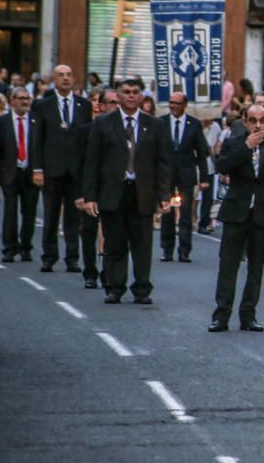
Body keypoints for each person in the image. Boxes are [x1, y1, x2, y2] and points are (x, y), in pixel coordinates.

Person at [82, 79, 171, 304]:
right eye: (126, 92)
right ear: (118, 96)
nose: (131, 96)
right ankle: (114, 287)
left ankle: (142, 289)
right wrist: (90, 196)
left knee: (142, 244)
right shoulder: (103, 123)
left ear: (141, 96)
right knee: (115, 243)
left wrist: (164, 195)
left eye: (135, 92)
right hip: (113, 191)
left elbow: (163, 163)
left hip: (142, 192)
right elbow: (92, 162)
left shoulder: (154, 125)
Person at [209, 104, 264, 332]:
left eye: (262, 120)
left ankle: (248, 316)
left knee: (256, 268)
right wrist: (246, 148)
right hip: (236, 211)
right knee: (228, 265)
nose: (258, 125)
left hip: (262, 215)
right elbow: (221, 166)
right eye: (253, 120)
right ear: (245, 122)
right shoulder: (234, 143)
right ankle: (221, 316)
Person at [32, 65, 93, 273]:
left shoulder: (83, 105)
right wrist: (37, 168)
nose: (65, 79)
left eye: (68, 75)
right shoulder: (43, 105)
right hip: (52, 169)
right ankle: (49, 256)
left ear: (73, 79)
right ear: (54, 80)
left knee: (74, 218)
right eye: (61, 76)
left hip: (75, 170)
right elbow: (37, 138)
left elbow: (87, 139)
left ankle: (72, 257)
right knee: (50, 214)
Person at [0, 87, 39, 262]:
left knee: (29, 212)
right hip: (10, 171)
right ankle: (9, 248)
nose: (25, 101)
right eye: (21, 98)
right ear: (12, 101)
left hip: (30, 172)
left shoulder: (35, 120)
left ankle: (26, 247)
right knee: (10, 210)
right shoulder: (3, 122)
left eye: (27, 98)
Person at [159, 93, 211, 263]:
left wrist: (204, 178)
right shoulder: (161, 123)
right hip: (166, 175)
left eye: (177, 103)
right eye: (171, 103)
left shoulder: (194, 124)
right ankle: (167, 249)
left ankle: (184, 250)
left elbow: (202, 152)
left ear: (184, 105)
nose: (173, 106)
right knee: (167, 211)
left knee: (186, 214)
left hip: (186, 174)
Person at [76, 87, 119, 288]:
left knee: (113, 233)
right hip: (91, 189)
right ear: (101, 106)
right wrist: (81, 193)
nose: (115, 107)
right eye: (111, 103)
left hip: (114, 189)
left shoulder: (124, 130)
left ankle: (109, 272)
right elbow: (78, 164)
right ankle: (90, 271)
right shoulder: (86, 130)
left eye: (117, 103)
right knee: (89, 231)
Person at [197, 116, 222, 234]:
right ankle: (188, 219)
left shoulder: (216, 127)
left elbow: (218, 144)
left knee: (208, 197)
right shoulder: (196, 126)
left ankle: (204, 222)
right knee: (192, 196)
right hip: (195, 166)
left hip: (209, 166)